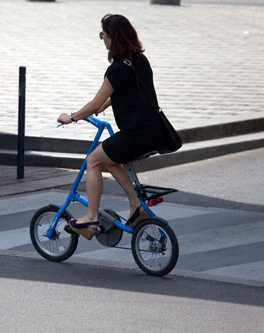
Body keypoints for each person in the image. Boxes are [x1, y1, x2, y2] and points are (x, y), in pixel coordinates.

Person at [57, 14, 169, 241]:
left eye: (103, 35)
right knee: (111, 157)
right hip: (153, 132)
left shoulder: (117, 69)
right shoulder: (140, 60)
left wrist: (72, 117)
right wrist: (108, 104)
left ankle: (90, 219)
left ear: (113, 38)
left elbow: (94, 103)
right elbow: (131, 91)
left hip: (136, 134)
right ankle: (136, 205)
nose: (102, 40)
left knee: (93, 161)